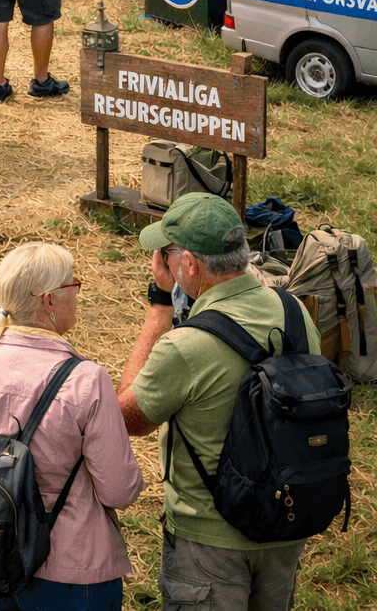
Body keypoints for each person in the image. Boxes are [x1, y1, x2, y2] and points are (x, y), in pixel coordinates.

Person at [117, 194, 320, 611]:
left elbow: (127, 417)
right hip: (286, 520)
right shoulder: (294, 311)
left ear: (189, 265)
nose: (162, 261)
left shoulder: (185, 347)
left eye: (166, 253)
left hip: (208, 541)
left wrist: (159, 303)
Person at [0, 242, 144, 611]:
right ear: (48, 301)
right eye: (73, 286)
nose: (77, 293)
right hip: (72, 570)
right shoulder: (85, 379)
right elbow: (119, 491)